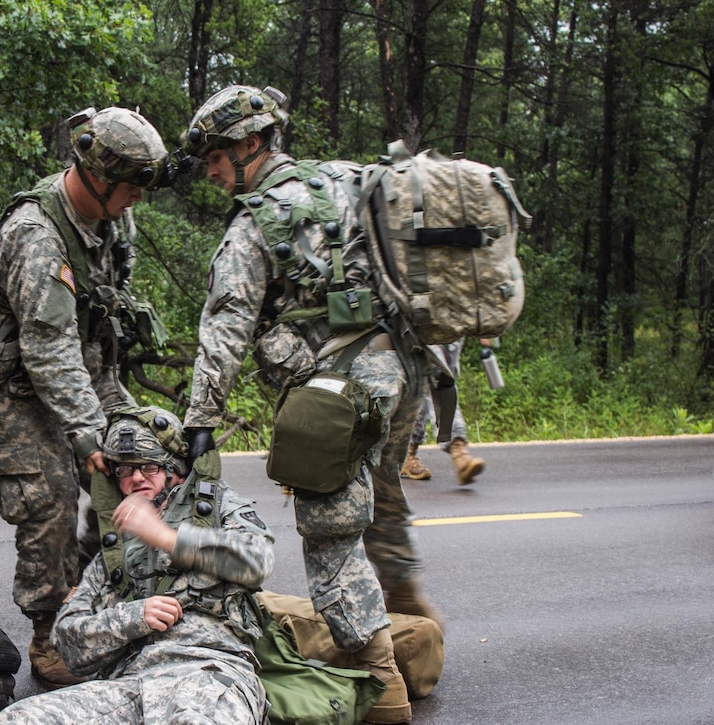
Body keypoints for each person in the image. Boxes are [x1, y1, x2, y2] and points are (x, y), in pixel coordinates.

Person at [179, 84, 440, 723]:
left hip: (341, 396)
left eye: (215, 155)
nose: (211, 170)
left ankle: (384, 692)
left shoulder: (255, 221)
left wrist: (201, 420)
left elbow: (226, 325)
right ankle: (414, 625)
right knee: (378, 502)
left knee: (329, 538)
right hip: (406, 372)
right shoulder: (350, 180)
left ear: (250, 143)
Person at [0, 106, 171, 688]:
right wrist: (85, 437)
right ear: (98, 177)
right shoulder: (36, 238)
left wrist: (115, 431)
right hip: (11, 384)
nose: (135, 201)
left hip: (84, 366)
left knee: (149, 459)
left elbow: (91, 330)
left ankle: (99, 584)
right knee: (50, 492)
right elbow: (46, 348)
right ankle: (49, 632)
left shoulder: (107, 223)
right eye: (129, 188)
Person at [0, 406, 275, 724]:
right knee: (17, 719)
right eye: (125, 469)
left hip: (210, 675)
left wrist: (167, 538)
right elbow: (68, 644)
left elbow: (259, 558)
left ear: (175, 468)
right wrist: (134, 617)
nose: (136, 478)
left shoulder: (214, 508)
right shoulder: (114, 550)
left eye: (149, 466)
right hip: (130, 686)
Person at [401, 339, 486, 485]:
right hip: (423, 326)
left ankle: (407, 451)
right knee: (439, 381)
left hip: (453, 328)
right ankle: (458, 451)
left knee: (435, 383)